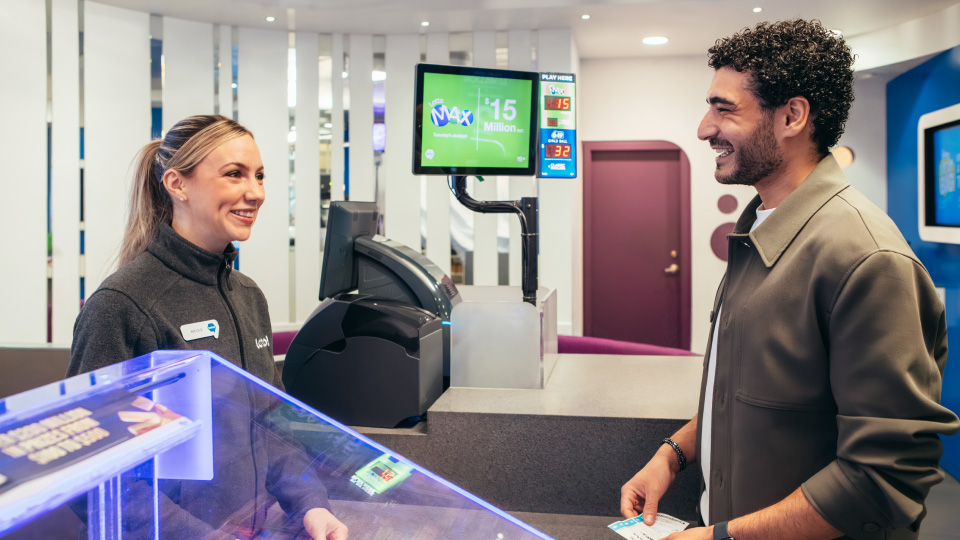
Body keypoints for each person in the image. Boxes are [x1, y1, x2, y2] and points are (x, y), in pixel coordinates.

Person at [619, 20, 960, 540]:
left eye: (723, 108)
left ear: (793, 116)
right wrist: (674, 454)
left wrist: (718, 538)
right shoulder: (761, 228)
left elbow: (881, 478)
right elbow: (748, 397)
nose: (704, 128)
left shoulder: (867, 257)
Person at [68, 115, 348, 540]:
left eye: (259, 176)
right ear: (177, 185)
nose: (255, 192)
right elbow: (90, 469)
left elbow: (271, 427)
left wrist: (311, 503)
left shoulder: (247, 295)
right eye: (234, 174)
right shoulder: (124, 304)